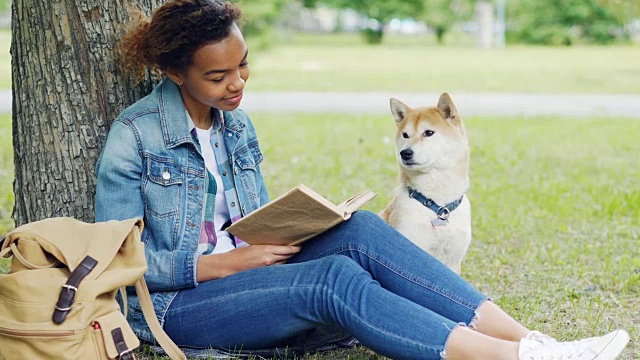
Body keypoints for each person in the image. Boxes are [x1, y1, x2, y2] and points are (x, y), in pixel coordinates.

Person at [94, 1, 630, 359]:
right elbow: (114, 262)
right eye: (218, 76)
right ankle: (519, 358)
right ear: (173, 72)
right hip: (174, 306)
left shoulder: (235, 124)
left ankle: (539, 342)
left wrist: (299, 224)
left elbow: (247, 225)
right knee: (331, 279)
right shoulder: (137, 135)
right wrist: (222, 263)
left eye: (243, 66)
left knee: (364, 232)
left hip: (251, 272)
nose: (237, 84)